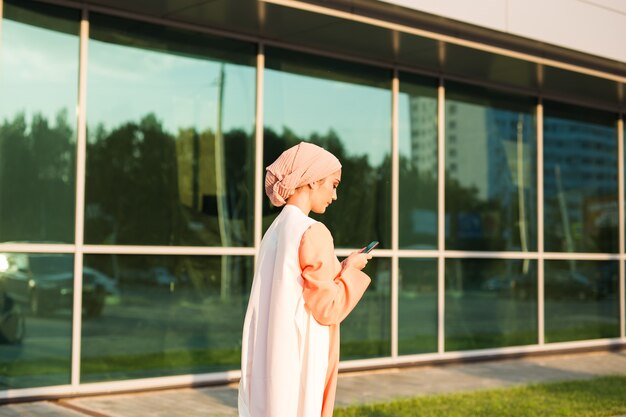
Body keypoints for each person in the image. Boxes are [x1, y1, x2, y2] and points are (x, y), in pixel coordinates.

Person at [238, 142, 372, 417]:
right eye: (333, 184)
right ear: (311, 181)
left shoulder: (274, 231)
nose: (335, 195)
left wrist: (343, 266)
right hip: (303, 357)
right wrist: (353, 271)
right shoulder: (313, 230)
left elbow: (300, 286)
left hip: (274, 356)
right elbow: (328, 308)